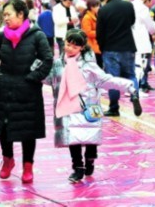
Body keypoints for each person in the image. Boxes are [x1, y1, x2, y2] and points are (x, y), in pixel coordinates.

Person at [45, 29, 142, 183]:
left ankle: (90, 159)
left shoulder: (89, 66)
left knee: (90, 139)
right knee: (73, 140)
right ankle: (78, 168)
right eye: (67, 44)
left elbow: (107, 80)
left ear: (82, 48)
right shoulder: (58, 64)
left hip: (88, 107)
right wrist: (34, 68)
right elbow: (49, 79)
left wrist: (130, 87)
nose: (69, 48)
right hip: (68, 107)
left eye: (74, 46)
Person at [0, 0, 53, 183]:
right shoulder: (2, 36)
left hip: (28, 91)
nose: (4, 18)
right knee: (4, 127)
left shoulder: (36, 36)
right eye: (3, 15)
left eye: (8, 14)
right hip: (5, 89)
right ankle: (7, 160)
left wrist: (33, 78)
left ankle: (28, 166)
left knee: (27, 129)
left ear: (20, 14)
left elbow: (47, 59)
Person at [96, 0, 138, 117]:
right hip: (128, 46)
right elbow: (132, 22)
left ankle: (114, 108)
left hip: (110, 48)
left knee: (113, 79)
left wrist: (102, 48)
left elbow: (99, 33)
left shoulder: (103, 10)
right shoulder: (128, 6)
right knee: (131, 74)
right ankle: (134, 94)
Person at [132, 0, 155, 93]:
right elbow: (149, 24)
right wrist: (154, 32)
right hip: (141, 40)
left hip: (132, 39)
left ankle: (132, 88)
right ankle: (137, 89)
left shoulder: (130, 5)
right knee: (141, 65)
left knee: (134, 65)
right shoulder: (143, 8)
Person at [81, 0, 102, 68]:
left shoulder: (96, 15)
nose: (98, 7)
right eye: (97, 6)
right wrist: (100, 32)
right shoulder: (87, 18)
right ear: (91, 7)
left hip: (97, 44)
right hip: (91, 45)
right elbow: (87, 32)